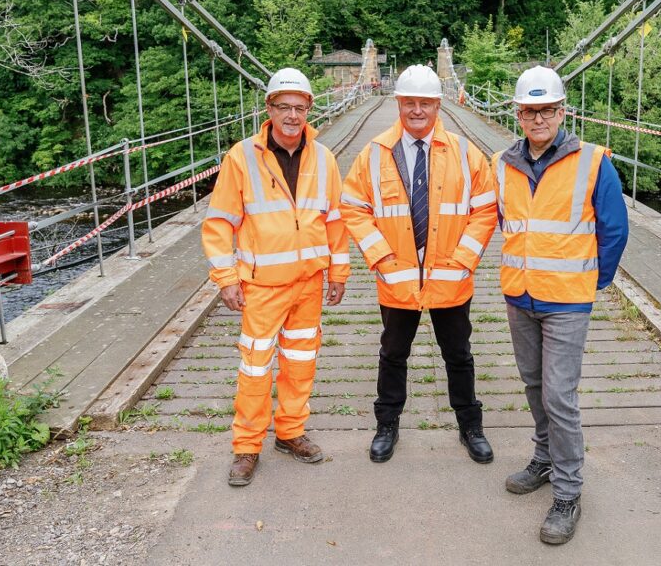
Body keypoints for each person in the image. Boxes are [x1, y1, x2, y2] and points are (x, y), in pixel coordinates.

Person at [493, 65, 629, 545]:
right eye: (530, 111)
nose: (538, 119)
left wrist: (592, 281)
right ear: (518, 114)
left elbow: (615, 230)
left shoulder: (593, 162)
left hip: (568, 301)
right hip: (520, 294)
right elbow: (501, 221)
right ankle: (545, 457)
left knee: (559, 395)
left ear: (562, 112)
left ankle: (568, 492)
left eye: (547, 110)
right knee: (534, 385)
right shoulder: (501, 163)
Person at [340, 65, 497, 464]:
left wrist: (464, 260)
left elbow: (485, 209)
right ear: (398, 103)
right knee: (393, 353)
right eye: (409, 102)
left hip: (450, 277)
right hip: (398, 278)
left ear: (438, 105)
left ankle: (470, 426)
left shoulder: (466, 153)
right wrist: (381, 258)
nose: (417, 110)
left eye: (425, 103)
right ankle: (387, 425)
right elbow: (353, 207)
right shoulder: (374, 153)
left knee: (458, 354)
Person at [202, 67, 350, 487]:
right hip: (262, 285)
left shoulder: (324, 158)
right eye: (283, 107)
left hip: (309, 284)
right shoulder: (242, 157)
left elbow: (335, 221)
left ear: (309, 109)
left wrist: (338, 270)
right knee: (255, 367)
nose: (291, 115)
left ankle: (289, 431)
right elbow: (219, 222)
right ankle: (247, 446)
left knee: (301, 362)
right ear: (268, 109)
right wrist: (226, 277)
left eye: (299, 107)